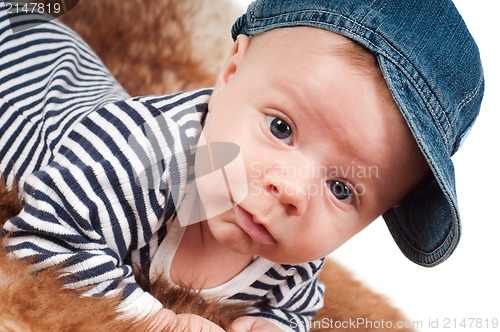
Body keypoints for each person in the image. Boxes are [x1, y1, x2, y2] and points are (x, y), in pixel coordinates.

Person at [0, 0, 484, 331]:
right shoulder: (141, 157)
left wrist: (271, 324)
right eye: (280, 129)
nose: (293, 191)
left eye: (342, 189)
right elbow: (41, 233)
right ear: (230, 74)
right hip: (21, 70)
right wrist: (153, 318)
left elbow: (296, 307)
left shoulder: (292, 259)